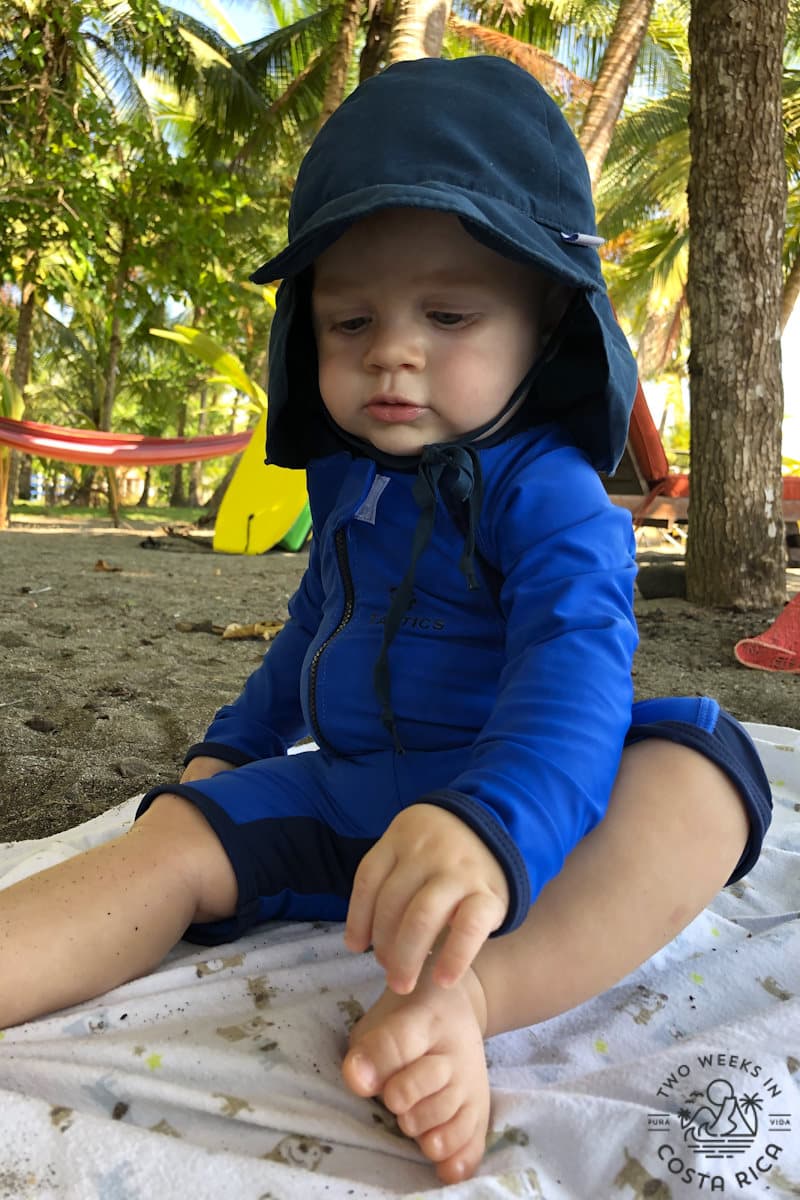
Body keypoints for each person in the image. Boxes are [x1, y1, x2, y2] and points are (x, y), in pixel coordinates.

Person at [0, 56, 772, 1185]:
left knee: (704, 770)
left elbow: (574, 668)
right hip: (352, 803)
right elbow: (313, 626)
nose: (390, 352)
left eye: (447, 314)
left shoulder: (550, 495)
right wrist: (230, 751)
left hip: (526, 833)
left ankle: (467, 998)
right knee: (170, 837)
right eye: (348, 319)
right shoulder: (346, 484)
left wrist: (486, 823)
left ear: (546, 322)